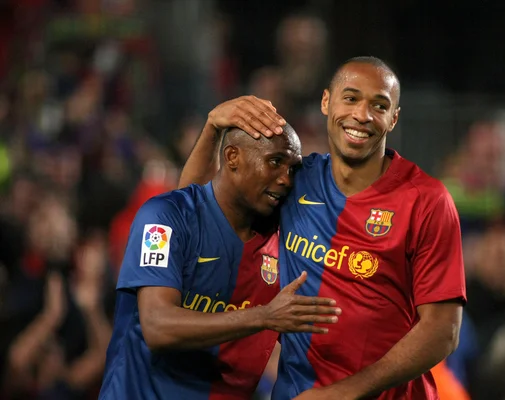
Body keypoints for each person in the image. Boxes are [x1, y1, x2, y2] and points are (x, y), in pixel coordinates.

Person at [180, 56, 466, 400]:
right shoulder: (294, 180)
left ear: (394, 118)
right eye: (351, 98)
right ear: (326, 102)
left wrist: (345, 393)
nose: (362, 114)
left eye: (379, 105)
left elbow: (443, 331)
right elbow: (190, 217)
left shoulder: (426, 200)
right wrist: (213, 127)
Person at [99, 123, 342, 400]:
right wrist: (265, 315)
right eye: (274, 162)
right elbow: (156, 326)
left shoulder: (287, 242)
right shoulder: (162, 218)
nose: (286, 178)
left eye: (292, 168)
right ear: (232, 157)